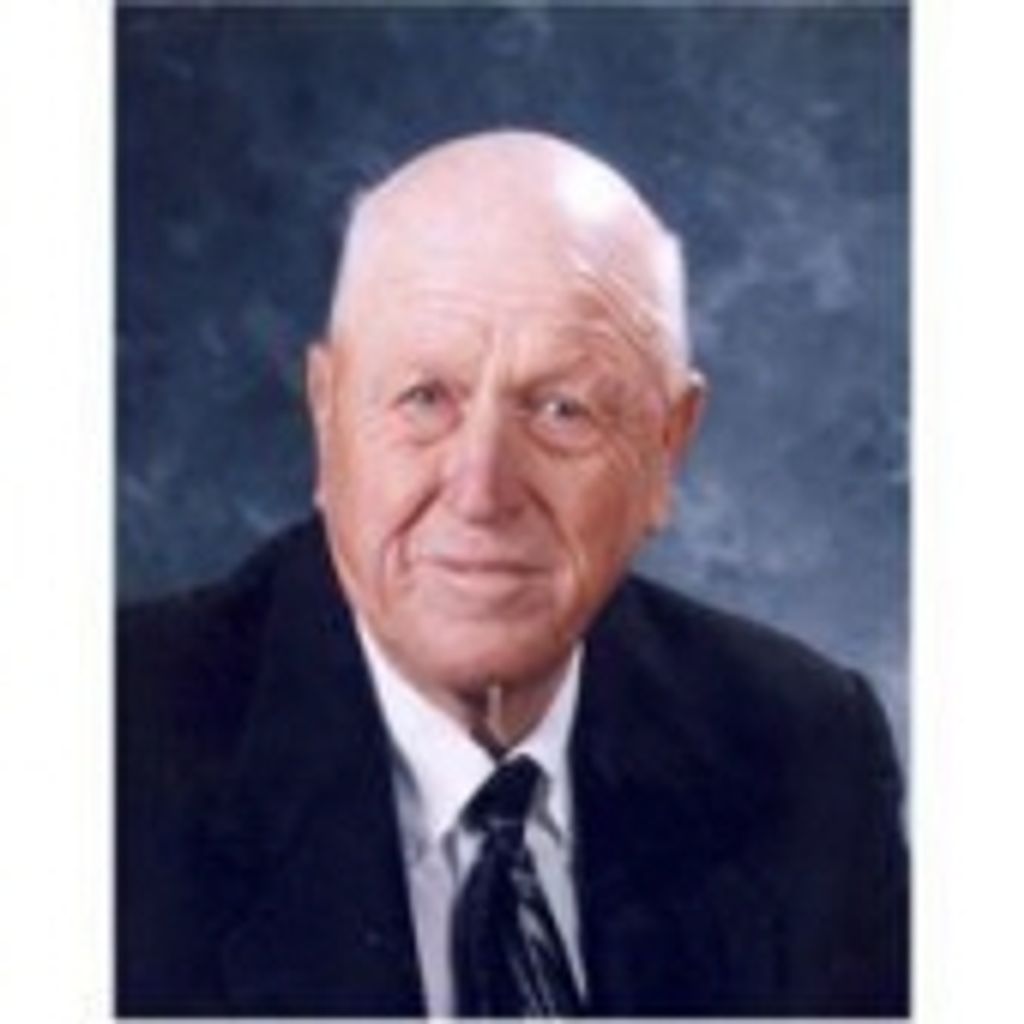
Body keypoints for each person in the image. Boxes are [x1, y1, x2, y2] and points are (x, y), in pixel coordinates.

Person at [117, 130, 908, 1018]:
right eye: (426, 398)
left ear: (667, 445)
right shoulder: (110, 743)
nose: (482, 491)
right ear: (327, 415)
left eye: (562, 409)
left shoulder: (806, 752)